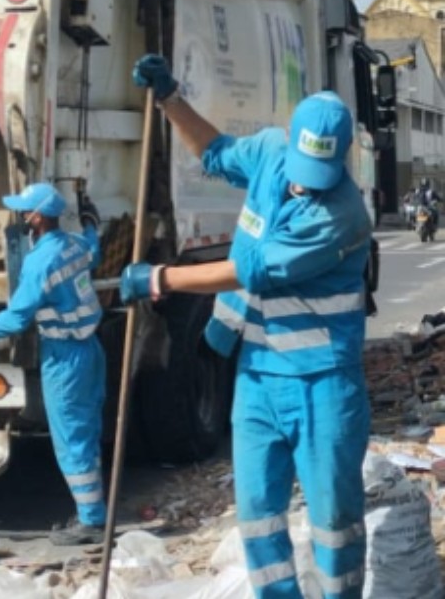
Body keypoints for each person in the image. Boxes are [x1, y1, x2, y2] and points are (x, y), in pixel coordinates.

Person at [124, 54, 370, 598]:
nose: (305, 186)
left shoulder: (341, 214)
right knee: (257, 516)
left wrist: (162, 277)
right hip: (258, 375)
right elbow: (214, 152)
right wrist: (170, 100)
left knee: (334, 521)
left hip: (322, 384)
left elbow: (249, 270)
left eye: (319, 175)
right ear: (291, 141)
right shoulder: (269, 152)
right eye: (302, 170)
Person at [0, 181, 108, 545]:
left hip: (64, 358)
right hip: (90, 349)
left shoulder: (39, 262)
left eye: (24, 210)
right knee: (86, 432)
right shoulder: (75, 245)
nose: (20, 215)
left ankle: (91, 522)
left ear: (38, 218)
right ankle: (92, 512)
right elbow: (94, 250)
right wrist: (91, 222)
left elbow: (17, 319)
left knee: (71, 439)